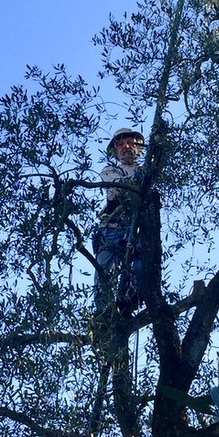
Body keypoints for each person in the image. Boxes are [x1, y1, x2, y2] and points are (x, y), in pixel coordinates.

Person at [93, 127, 145, 315]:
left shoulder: (147, 171)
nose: (126, 147)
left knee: (141, 266)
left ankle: (131, 300)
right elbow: (116, 192)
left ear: (139, 148)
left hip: (140, 229)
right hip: (113, 228)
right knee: (104, 269)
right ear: (115, 150)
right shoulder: (110, 170)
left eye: (131, 143)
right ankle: (104, 314)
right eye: (121, 144)